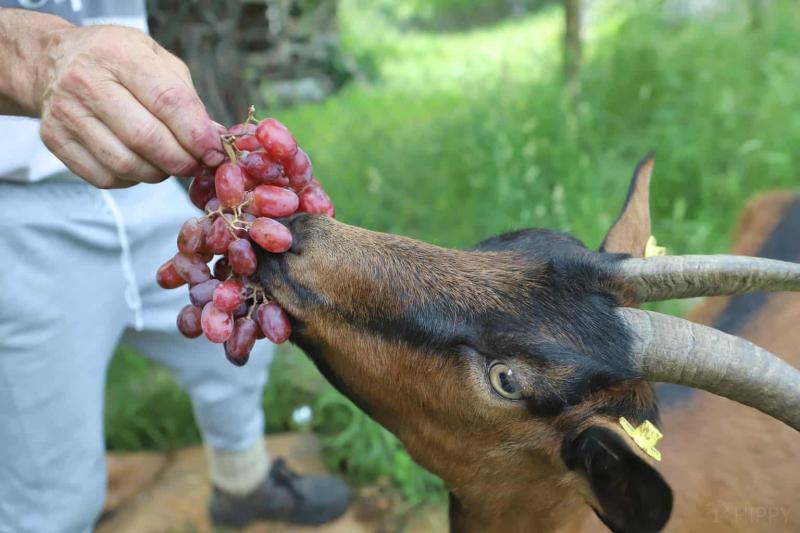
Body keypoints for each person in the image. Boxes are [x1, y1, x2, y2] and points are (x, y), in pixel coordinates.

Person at [0, 3, 350, 532]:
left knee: (242, 329)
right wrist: (33, 59)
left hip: (145, 184)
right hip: (16, 208)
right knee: (56, 499)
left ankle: (242, 486)